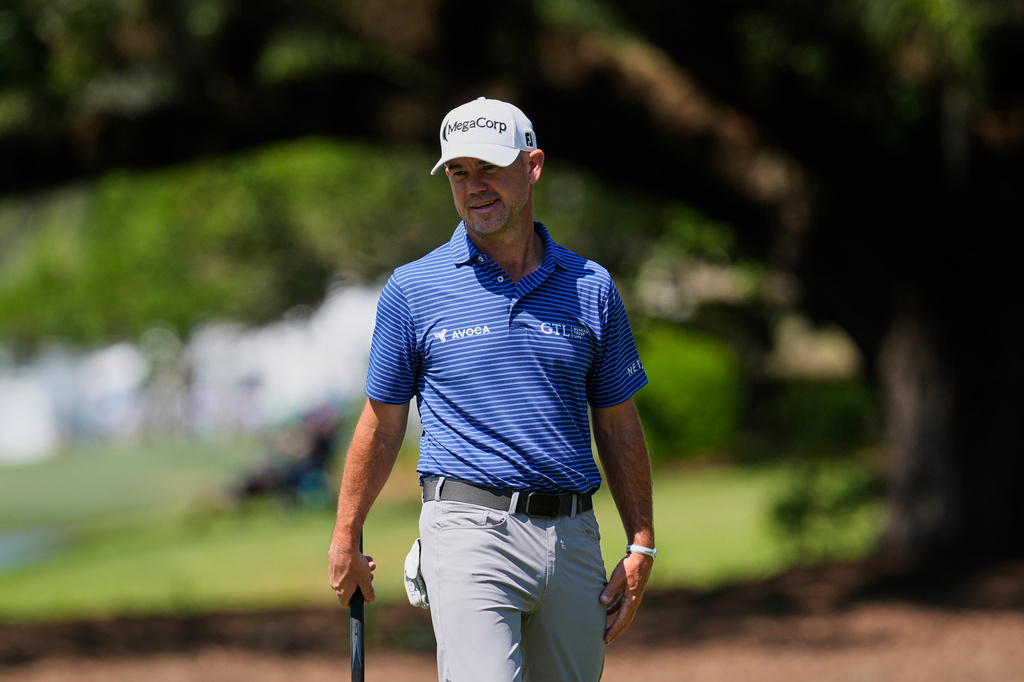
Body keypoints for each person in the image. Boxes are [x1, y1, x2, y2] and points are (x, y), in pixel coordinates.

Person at [328, 96, 656, 681]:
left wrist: (642, 543)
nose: (473, 186)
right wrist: (346, 535)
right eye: (458, 172)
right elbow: (381, 421)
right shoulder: (413, 288)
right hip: (467, 529)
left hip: (574, 533)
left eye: (488, 168)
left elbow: (617, 422)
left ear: (533, 166)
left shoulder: (591, 285)